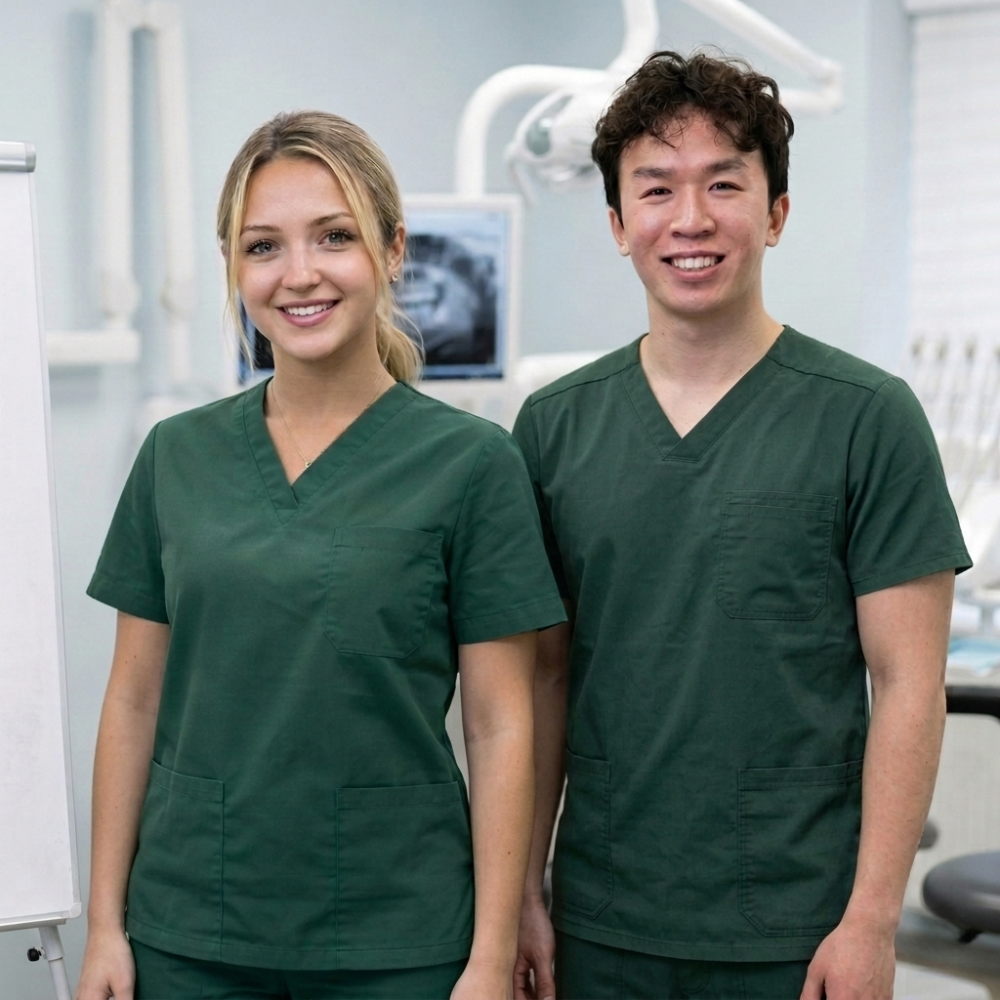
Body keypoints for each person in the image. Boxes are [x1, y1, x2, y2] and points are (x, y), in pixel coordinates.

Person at [76, 110, 566, 1000]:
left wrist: (491, 955)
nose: (299, 275)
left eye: (333, 237)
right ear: (234, 268)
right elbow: (134, 698)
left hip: (399, 938)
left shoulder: (471, 465)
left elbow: (501, 727)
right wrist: (105, 926)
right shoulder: (175, 456)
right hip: (191, 929)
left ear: (392, 249)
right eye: (263, 247)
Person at [511, 51, 970, 1000]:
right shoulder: (554, 427)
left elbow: (909, 683)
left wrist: (872, 922)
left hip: (796, 927)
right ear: (616, 223)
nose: (690, 218)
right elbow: (543, 678)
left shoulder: (865, 417)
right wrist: (521, 888)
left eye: (725, 183)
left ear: (775, 214)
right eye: (657, 189)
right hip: (605, 916)